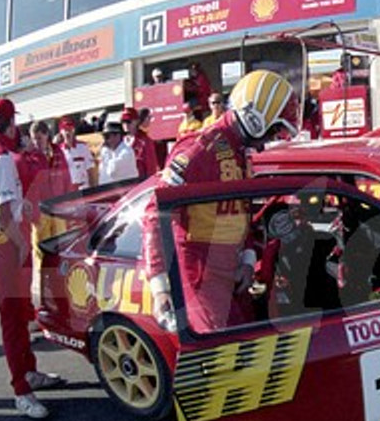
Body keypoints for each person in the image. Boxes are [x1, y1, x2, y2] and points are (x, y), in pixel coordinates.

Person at [143, 69, 300, 333]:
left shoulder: (241, 154)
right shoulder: (199, 149)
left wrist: (248, 262)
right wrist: (160, 288)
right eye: (275, 129)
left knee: (251, 346)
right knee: (222, 357)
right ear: (255, 118)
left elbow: (241, 214)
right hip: (198, 273)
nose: (274, 138)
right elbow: (154, 214)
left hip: (232, 270)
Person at [0, 98, 64, 421]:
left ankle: (29, 372)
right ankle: (21, 391)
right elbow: (2, 214)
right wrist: (21, 245)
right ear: (11, 125)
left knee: (22, 312)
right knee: (13, 318)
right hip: (4, 243)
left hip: (2, 241)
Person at [176, 62, 213, 145]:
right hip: (198, 108)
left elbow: (202, 91)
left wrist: (190, 88)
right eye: (190, 69)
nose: (192, 71)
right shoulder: (182, 126)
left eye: (193, 69)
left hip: (202, 107)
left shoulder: (201, 78)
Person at [56, 116, 94, 191]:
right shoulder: (59, 151)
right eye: (65, 129)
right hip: (68, 191)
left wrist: (92, 189)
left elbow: (90, 171)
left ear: (73, 130)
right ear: (61, 131)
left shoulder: (82, 147)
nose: (67, 132)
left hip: (83, 188)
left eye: (70, 129)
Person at [97, 118, 139, 185]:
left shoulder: (126, 152)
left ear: (117, 136)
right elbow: (102, 176)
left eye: (107, 137)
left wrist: (106, 155)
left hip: (127, 189)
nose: (105, 141)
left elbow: (112, 171)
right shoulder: (107, 151)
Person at [123, 106, 159, 179]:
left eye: (128, 121)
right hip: (124, 184)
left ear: (136, 121)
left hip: (140, 183)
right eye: (123, 121)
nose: (125, 125)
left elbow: (151, 168)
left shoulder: (145, 142)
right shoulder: (121, 141)